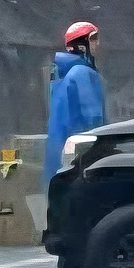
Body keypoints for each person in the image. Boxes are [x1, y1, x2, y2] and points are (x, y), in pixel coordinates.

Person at [44, 21, 107, 186]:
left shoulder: (59, 76)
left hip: (58, 159)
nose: (98, 44)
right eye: (93, 39)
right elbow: (94, 121)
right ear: (82, 45)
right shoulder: (84, 74)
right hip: (81, 162)